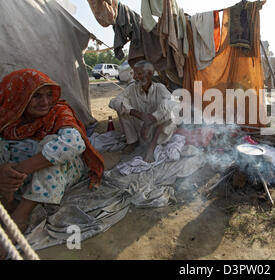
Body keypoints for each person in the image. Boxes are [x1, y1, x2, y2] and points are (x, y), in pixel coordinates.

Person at [0, 69, 104, 243]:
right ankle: (8, 199)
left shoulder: (58, 111)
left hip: (60, 169)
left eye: (49, 95)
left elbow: (74, 143)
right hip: (19, 173)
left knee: (52, 144)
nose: (45, 102)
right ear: (19, 96)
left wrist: (20, 169)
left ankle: (22, 213)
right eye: (36, 96)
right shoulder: (8, 113)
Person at [109, 60, 178, 162]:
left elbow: (171, 104)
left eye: (139, 74)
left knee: (169, 107)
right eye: (134, 74)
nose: (135, 77)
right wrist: (137, 113)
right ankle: (132, 142)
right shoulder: (132, 88)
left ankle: (152, 146)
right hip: (141, 132)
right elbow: (114, 102)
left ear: (150, 74)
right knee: (121, 105)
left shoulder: (160, 88)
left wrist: (152, 119)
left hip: (158, 133)